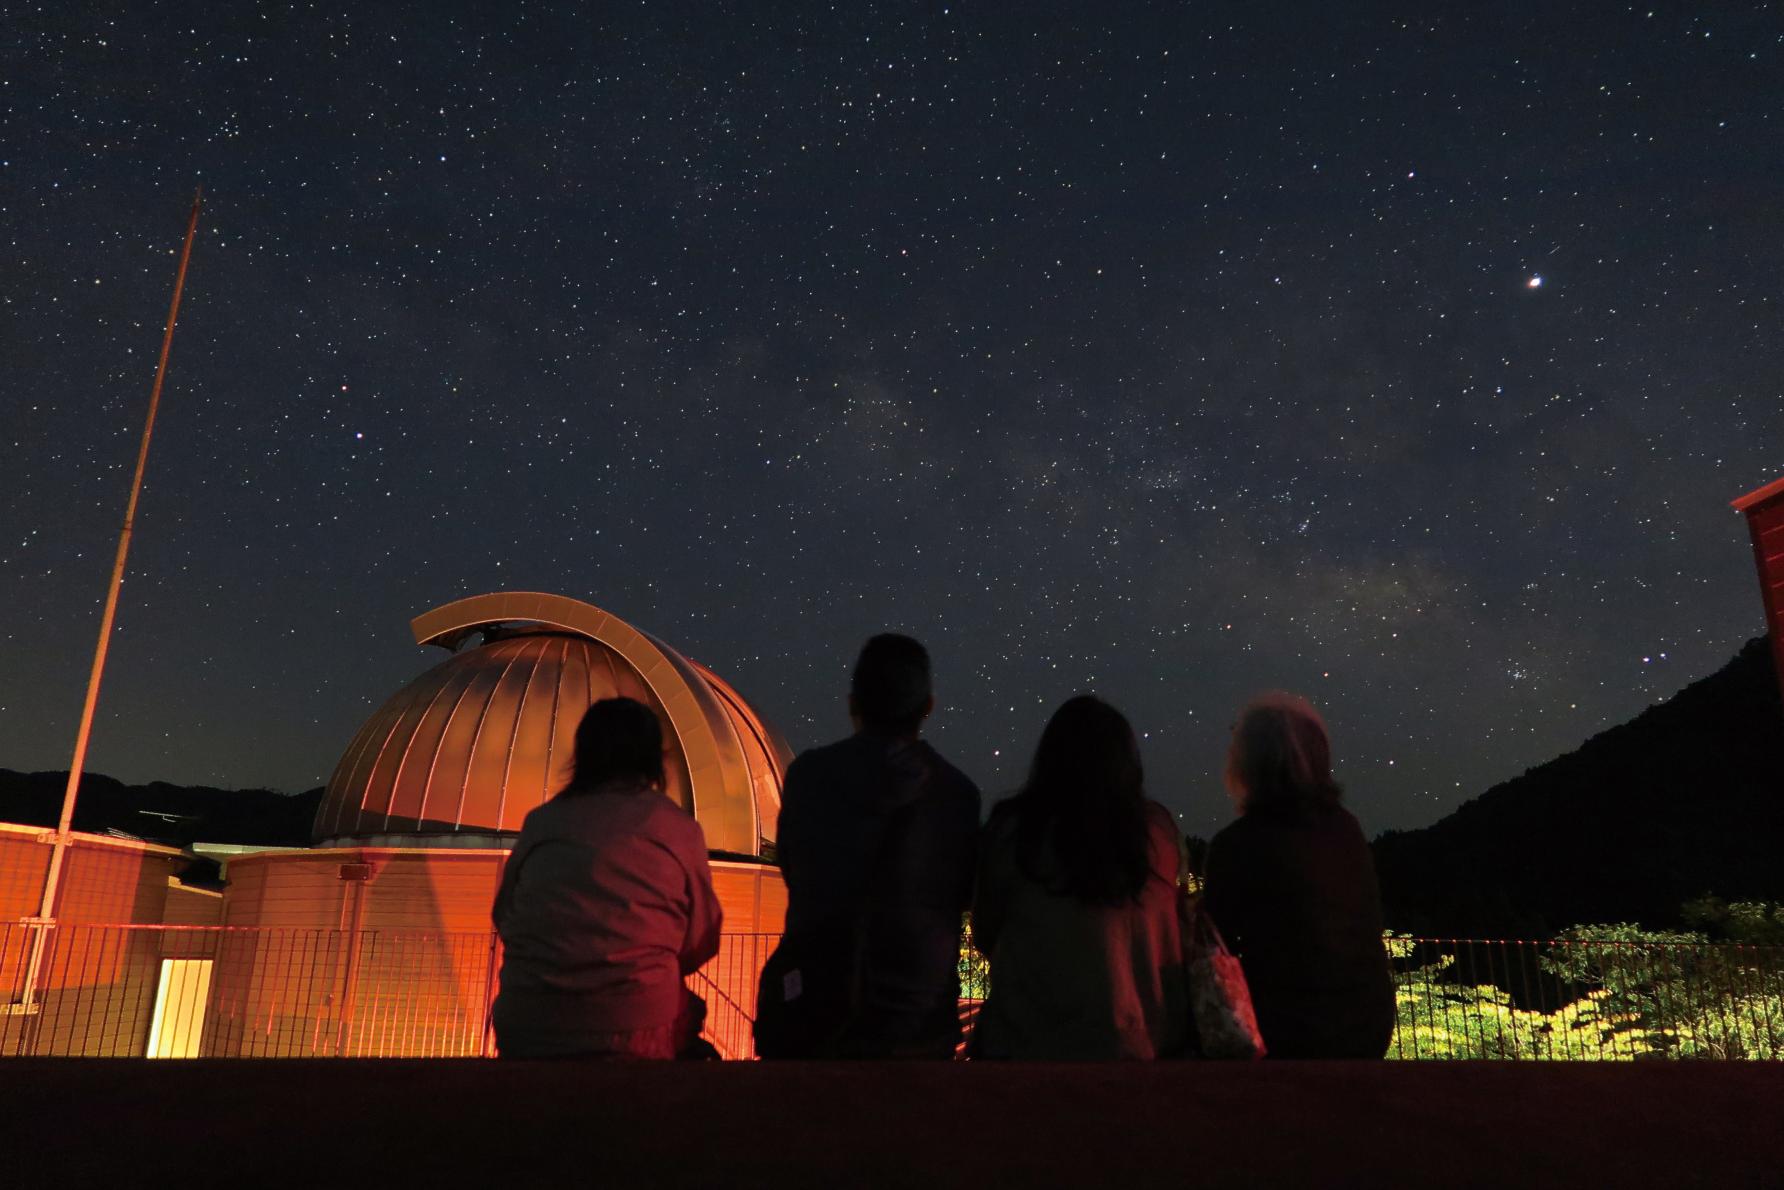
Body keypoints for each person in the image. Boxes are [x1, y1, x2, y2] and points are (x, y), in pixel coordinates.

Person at [754, 633, 981, 1059]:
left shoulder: (809, 777)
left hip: (814, 1014)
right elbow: (964, 893)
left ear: (852, 703)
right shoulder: (958, 794)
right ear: (927, 706)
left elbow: (794, 867)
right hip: (920, 1022)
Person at [491, 697, 722, 1059]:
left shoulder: (542, 822)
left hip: (527, 1022)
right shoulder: (676, 828)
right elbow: (702, 939)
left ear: (581, 754)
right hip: (634, 1027)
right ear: (654, 758)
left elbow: (503, 916)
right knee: (690, 1016)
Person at [969, 695, 1191, 1060]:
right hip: (1139, 1049)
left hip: (1023, 1049)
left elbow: (986, 932)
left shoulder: (1013, 833)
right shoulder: (1157, 836)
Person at [1202, 693, 1394, 1059]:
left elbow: (1213, 946)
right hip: (1368, 1027)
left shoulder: (1238, 844)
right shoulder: (1347, 830)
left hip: (1283, 1034)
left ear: (1250, 762)